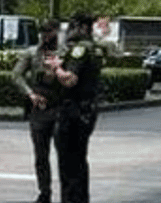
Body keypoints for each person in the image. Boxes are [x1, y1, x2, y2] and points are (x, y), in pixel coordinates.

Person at [12, 20, 65, 203]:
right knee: (41, 155)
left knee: (64, 154)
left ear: (56, 32)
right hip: (39, 107)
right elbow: (16, 75)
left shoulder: (65, 52)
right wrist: (30, 94)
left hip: (60, 106)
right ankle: (45, 192)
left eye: (49, 32)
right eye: (43, 33)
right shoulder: (32, 53)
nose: (45, 36)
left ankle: (68, 193)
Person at [53, 13, 104, 203]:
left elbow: (70, 80)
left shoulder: (80, 50)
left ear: (83, 28)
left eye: (73, 27)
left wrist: (56, 68)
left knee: (68, 161)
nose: (69, 32)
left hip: (73, 112)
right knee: (80, 161)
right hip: (87, 110)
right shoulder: (95, 49)